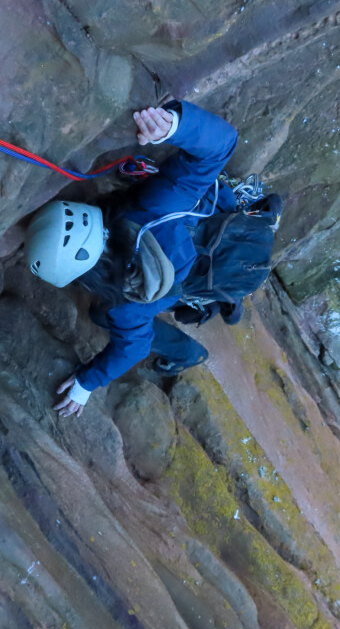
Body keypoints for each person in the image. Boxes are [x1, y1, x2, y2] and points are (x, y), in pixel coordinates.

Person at [25, 100, 242, 417]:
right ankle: (225, 305)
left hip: (194, 270)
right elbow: (223, 144)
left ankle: (190, 350)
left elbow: (135, 346)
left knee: (104, 317)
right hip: (209, 243)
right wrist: (175, 127)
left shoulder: (126, 309)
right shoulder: (157, 205)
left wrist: (87, 383)